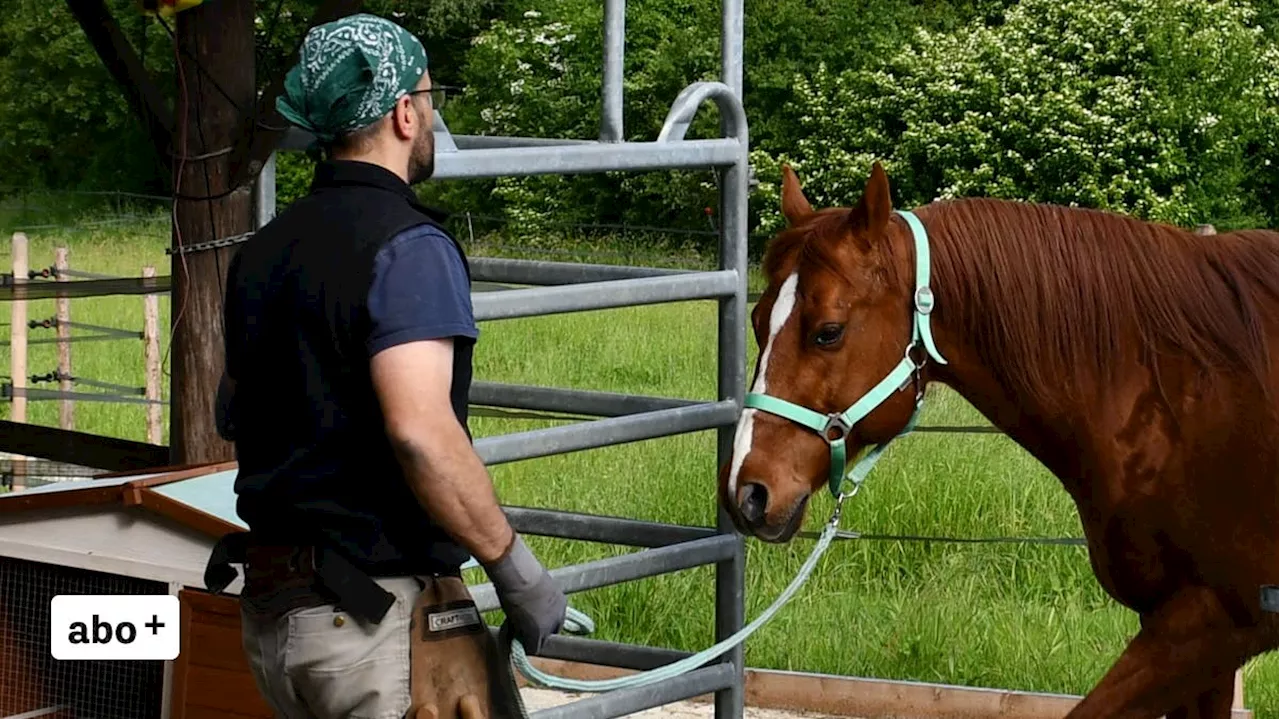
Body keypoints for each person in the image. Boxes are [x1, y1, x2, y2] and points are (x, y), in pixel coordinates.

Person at [205, 13, 566, 719]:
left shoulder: (261, 251)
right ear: (404, 112)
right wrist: (515, 569)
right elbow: (420, 433)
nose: (431, 117)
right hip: (374, 626)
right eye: (430, 100)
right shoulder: (409, 249)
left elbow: (231, 410)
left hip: (278, 622)